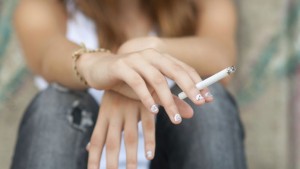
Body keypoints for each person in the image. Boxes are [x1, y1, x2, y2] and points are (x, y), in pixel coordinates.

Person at [11, 0, 247, 168]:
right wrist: (103, 67)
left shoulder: (201, 4)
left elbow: (221, 58)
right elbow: (46, 55)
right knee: (56, 102)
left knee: (206, 99)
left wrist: (142, 52)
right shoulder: (46, 6)